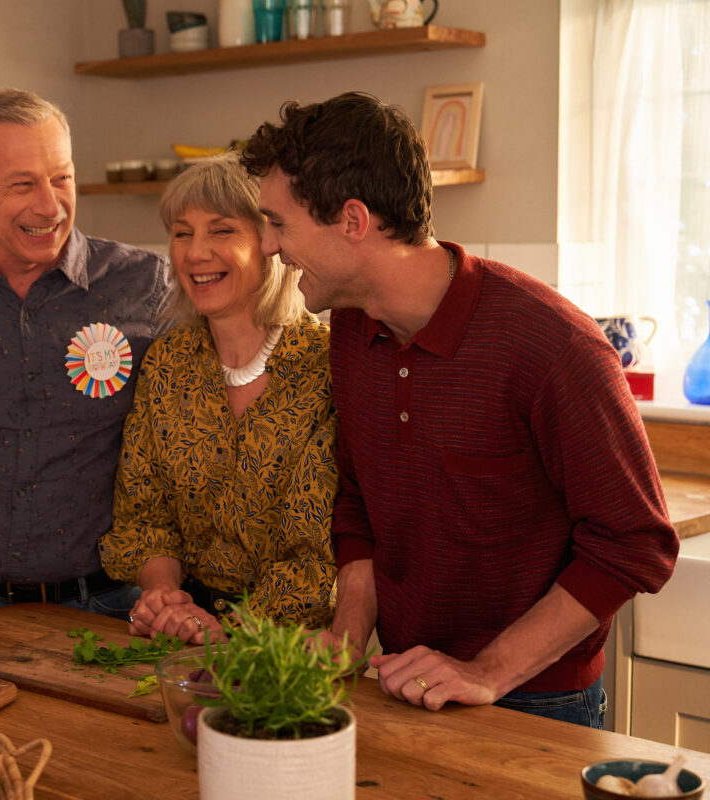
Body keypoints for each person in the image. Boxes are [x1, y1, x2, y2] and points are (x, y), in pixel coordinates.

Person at [239, 92, 679, 728]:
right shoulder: (351, 330)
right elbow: (359, 498)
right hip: (404, 680)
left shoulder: (554, 348)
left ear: (353, 221)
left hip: (539, 703)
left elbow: (636, 544)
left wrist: (488, 671)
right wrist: (348, 633)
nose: (271, 245)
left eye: (279, 223)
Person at [0, 88, 169, 617]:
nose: (50, 206)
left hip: (115, 604)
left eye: (62, 178)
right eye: (22, 184)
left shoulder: (144, 285)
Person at [99, 155, 338, 645]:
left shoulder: (326, 367)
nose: (195, 253)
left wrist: (228, 633)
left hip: (295, 649)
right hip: (187, 636)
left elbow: (319, 554)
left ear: (271, 243)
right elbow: (144, 518)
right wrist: (165, 597)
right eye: (182, 233)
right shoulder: (168, 363)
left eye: (222, 231)